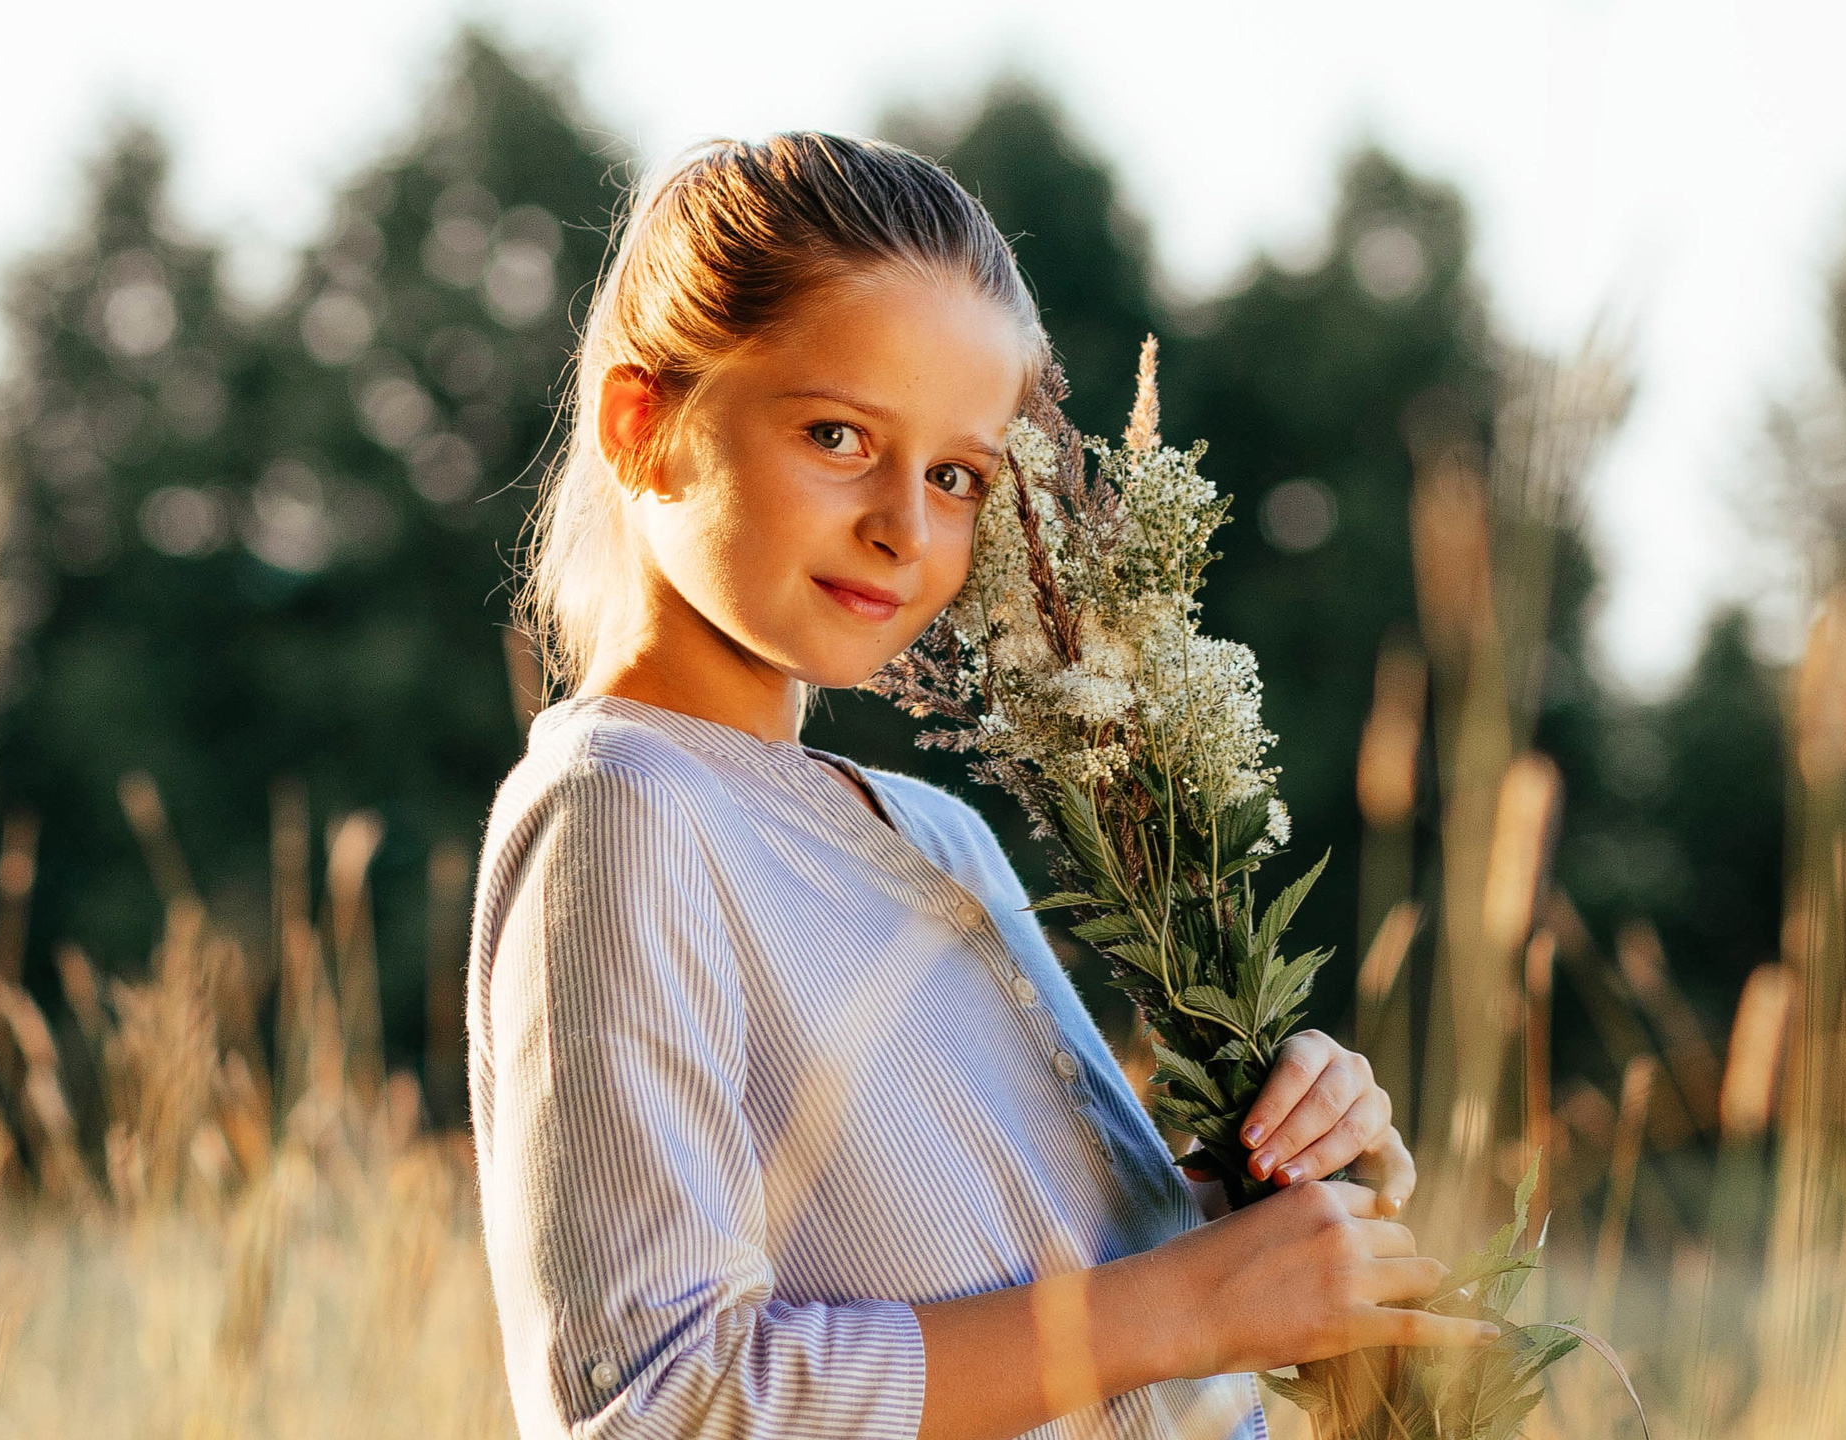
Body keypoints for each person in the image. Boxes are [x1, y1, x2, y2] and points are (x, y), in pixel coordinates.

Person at [466, 132, 1497, 1440]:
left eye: (957, 474)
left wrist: (1265, 1214)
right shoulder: (623, 807)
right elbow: (657, 1405)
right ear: (644, 426)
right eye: (838, 434)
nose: (907, 525)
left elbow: (1051, 1310)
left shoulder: (938, 833)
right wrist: (1189, 1305)